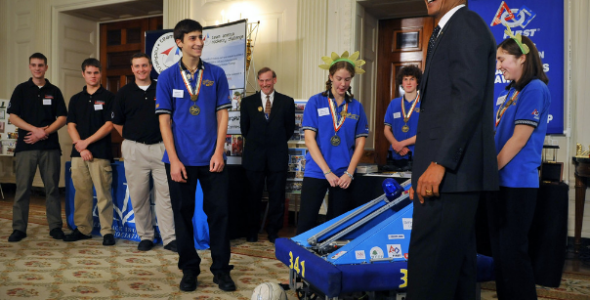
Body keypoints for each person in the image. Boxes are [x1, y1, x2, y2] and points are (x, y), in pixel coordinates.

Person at [407, 0, 499, 299]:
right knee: (455, 274)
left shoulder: (466, 24)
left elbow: (468, 99)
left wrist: (439, 164)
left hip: (450, 175)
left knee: (429, 275)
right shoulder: (445, 32)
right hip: (448, 177)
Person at [156, 19, 235, 292]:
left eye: (201, 37)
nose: (199, 42)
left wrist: (219, 151)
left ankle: (221, 270)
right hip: (180, 162)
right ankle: (189, 269)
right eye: (192, 38)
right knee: (182, 215)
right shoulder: (167, 77)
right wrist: (174, 159)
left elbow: (222, 115)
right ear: (179, 43)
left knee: (220, 214)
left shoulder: (216, 74)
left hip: (212, 160)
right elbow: (164, 121)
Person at [488, 27, 551, 300]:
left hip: (517, 183)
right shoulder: (511, 91)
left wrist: (489, 171)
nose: (499, 66)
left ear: (522, 58)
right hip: (501, 181)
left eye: (502, 60)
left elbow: (519, 139)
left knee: (514, 255)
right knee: (501, 256)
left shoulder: (535, 88)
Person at [296, 51, 369, 235]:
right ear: (330, 77)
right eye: (338, 78)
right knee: (306, 220)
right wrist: (326, 172)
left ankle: (328, 261)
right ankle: (300, 261)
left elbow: (360, 143)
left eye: (347, 79)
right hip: (317, 171)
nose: (343, 84)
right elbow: (309, 140)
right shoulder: (316, 102)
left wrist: (349, 173)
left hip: (344, 173)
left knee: (337, 224)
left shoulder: (356, 107)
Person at [112, 53, 177, 252]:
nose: (141, 69)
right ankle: (146, 236)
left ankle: (169, 238)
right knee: (139, 196)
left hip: (161, 148)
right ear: (132, 69)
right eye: (137, 66)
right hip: (134, 150)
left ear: (150, 67)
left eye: (144, 65)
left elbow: (173, 117)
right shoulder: (124, 92)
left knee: (165, 196)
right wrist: (133, 137)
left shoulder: (163, 87)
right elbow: (116, 122)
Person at [7, 53, 67, 242]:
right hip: (26, 146)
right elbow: (12, 117)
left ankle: (55, 226)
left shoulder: (54, 91)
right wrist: (35, 130)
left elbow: (63, 118)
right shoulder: (21, 90)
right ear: (30, 67)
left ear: (46, 68)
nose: (37, 68)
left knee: (52, 189)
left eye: (41, 65)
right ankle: (19, 228)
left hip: (50, 147)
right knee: (23, 189)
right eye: (34, 65)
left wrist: (44, 132)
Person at [64, 58, 116, 246]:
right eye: (89, 72)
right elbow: (70, 125)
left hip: (100, 153)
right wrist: (80, 145)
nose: (92, 76)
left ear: (100, 74)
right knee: (81, 194)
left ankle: (107, 232)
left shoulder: (109, 97)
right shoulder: (76, 99)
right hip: (78, 154)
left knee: (103, 194)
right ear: (83, 74)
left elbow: (109, 125)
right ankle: (83, 229)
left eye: (96, 72)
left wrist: (86, 143)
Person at [240, 67, 295, 243]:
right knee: (252, 197)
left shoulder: (287, 102)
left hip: (277, 156)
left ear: (275, 80)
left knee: (277, 197)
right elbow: (244, 129)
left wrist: (273, 143)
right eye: (261, 81)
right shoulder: (248, 102)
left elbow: (289, 129)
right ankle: (252, 231)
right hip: (254, 157)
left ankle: (273, 232)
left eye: (268, 80)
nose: (264, 84)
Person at [383, 65, 422, 170]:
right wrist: (396, 145)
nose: (408, 83)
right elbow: (386, 130)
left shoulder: (424, 104)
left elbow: (425, 132)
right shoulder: (394, 103)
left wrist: (402, 144)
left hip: (416, 156)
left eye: (412, 79)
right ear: (402, 82)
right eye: (405, 79)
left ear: (417, 82)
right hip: (395, 156)